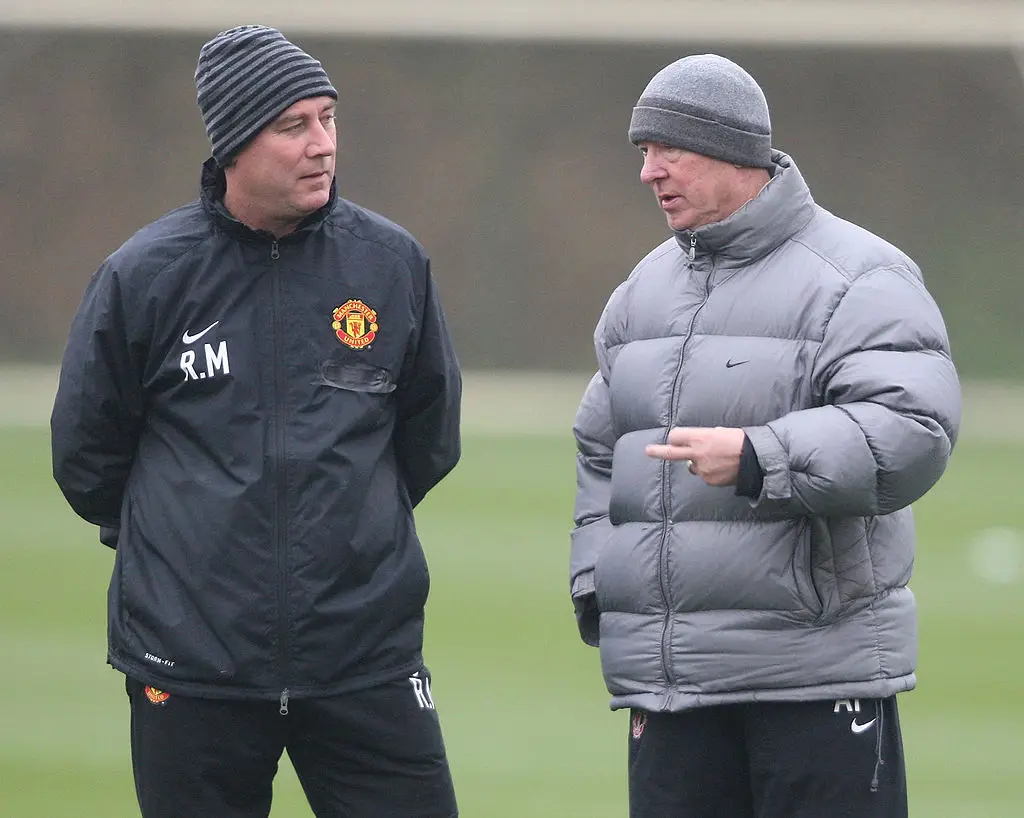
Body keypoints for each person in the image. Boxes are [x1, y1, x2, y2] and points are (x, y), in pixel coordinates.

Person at [51, 25, 461, 818]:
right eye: (293, 125)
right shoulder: (145, 278)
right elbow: (87, 457)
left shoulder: (390, 264)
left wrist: (348, 529)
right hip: (191, 662)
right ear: (236, 141)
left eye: (327, 119)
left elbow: (427, 435)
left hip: (364, 656)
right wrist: (183, 544)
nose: (321, 145)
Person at [570, 54, 960, 818]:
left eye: (665, 150)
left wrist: (763, 457)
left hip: (816, 678)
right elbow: (598, 445)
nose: (648, 173)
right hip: (673, 689)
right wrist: (599, 582)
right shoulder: (641, 290)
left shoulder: (860, 277)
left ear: (729, 151)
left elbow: (914, 428)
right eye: (642, 154)